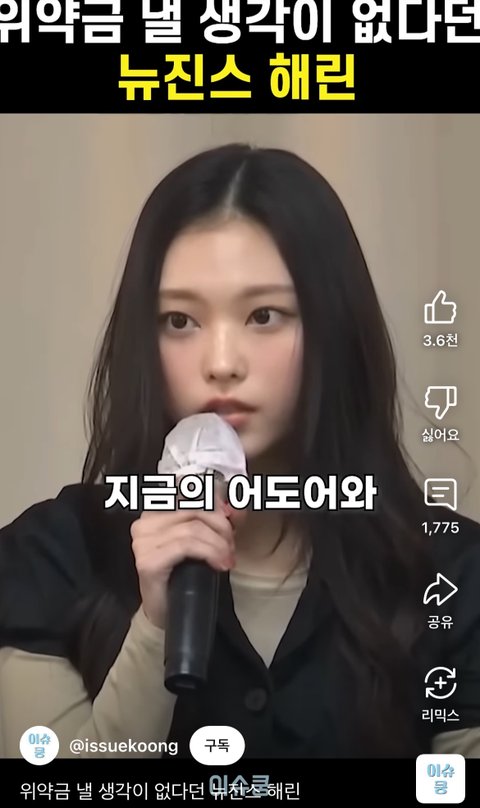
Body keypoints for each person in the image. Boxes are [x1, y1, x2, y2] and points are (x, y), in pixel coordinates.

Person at [0, 143, 480, 760]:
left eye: (264, 315)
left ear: (334, 328)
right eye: (180, 321)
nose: (221, 363)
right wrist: (155, 628)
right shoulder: (52, 556)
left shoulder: (451, 574)